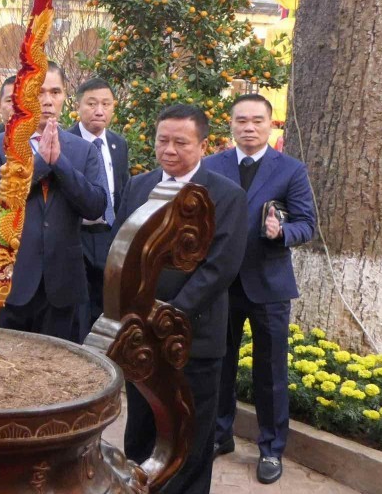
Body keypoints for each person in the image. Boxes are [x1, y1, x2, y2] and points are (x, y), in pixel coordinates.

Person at [115, 104, 247, 494]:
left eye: (180, 142)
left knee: (189, 434)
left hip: (193, 337)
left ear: (202, 145)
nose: (169, 150)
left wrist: (169, 316)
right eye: (162, 141)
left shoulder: (225, 196)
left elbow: (219, 269)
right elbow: (120, 251)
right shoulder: (138, 187)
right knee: (141, 428)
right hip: (140, 338)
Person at [207, 94, 316, 485]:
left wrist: (282, 232)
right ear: (231, 125)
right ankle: (219, 436)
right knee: (219, 364)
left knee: (270, 371)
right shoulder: (211, 166)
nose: (248, 127)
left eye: (256, 121)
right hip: (221, 284)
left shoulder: (290, 170)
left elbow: (307, 223)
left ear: (271, 125)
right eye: (241, 121)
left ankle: (271, 449)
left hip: (268, 285)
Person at [0, 62, 106, 342]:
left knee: (58, 375)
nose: (47, 101)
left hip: (63, 284)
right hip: (11, 281)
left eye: (55, 92)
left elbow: (96, 205)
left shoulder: (83, 150)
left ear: (64, 96)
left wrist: (60, 163)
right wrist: (40, 165)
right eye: (39, 93)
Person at [69, 78, 129, 340]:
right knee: (79, 311)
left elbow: (122, 188)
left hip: (109, 235)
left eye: (106, 104)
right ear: (77, 106)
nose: (99, 110)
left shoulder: (118, 144)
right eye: (91, 104)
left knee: (106, 307)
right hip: (76, 235)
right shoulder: (66, 142)